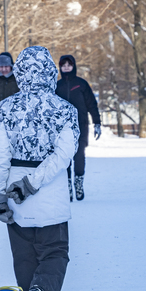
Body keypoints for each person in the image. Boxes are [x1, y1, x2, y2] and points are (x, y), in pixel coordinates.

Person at [0, 46, 80, 291]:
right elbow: (64, 155)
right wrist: (34, 181)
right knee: (55, 254)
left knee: (24, 257)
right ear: (51, 72)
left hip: (14, 192)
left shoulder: (5, 108)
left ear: (20, 73)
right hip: (49, 190)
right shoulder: (65, 110)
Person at [55, 54, 101, 201]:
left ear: (73, 66)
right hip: (62, 128)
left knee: (79, 157)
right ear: (60, 67)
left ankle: (78, 183)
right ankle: (67, 186)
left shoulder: (81, 84)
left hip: (81, 126)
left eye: (69, 64)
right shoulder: (57, 86)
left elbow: (91, 104)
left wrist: (97, 122)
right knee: (65, 158)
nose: (66, 67)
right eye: (63, 65)